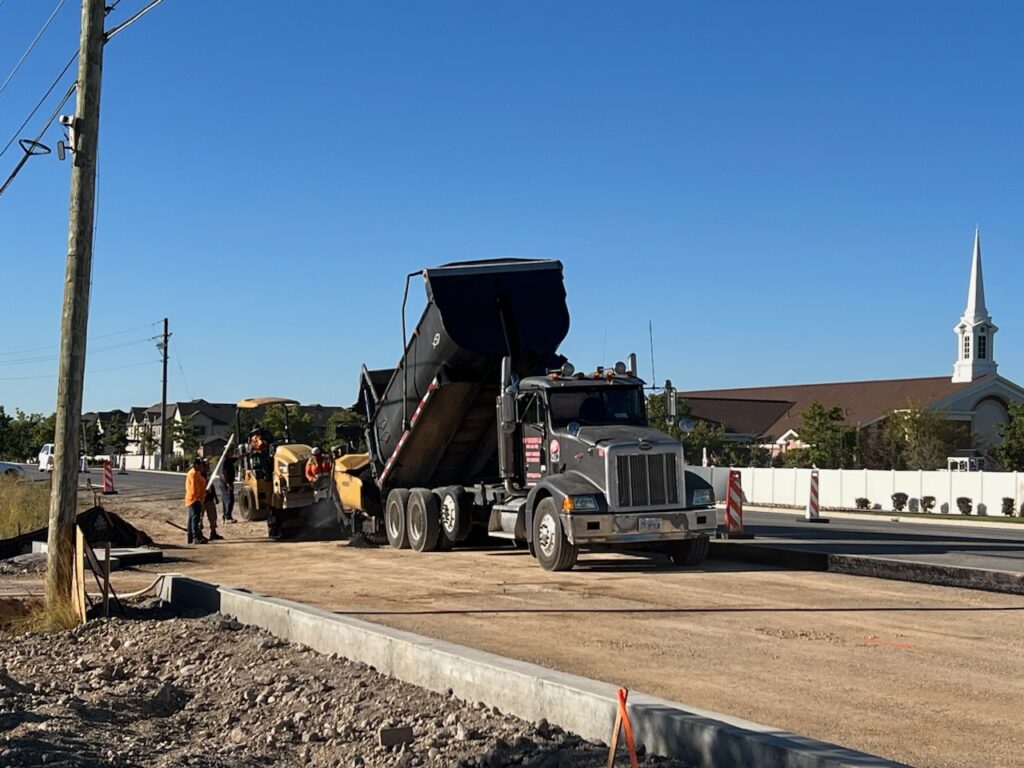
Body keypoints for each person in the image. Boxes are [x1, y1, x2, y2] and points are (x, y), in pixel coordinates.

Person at [184, 457, 208, 545]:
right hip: (194, 499)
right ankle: (195, 537)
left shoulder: (196, 473)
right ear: (196, 465)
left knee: (192, 518)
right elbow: (194, 488)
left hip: (194, 498)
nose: (202, 466)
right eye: (201, 464)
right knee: (195, 518)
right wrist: (198, 498)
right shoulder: (193, 474)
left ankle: (190, 536)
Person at [220, 451, 237, 523]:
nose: (232, 453)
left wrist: (248, 453)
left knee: (226, 500)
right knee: (229, 499)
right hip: (225, 483)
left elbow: (238, 458)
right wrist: (228, 483)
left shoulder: (229, 461)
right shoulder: (225, 462)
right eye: (230, 452)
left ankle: (225, 516)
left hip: (227, 482)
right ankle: (228, 517)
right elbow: (223, 474)